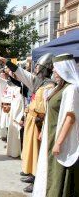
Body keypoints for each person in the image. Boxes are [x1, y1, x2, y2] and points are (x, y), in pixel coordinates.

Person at [0, 54, 55, 193]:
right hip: (31, 120)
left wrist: (40, 121)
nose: (35, 68)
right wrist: (7, 63)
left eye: (38, 67)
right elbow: (22, 74)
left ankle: (38, 179)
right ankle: (32, 173)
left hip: (38, 122)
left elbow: (46, 108)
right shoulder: (38, 82)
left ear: (44, 69)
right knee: (30, 149)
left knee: (37, 151)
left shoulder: (49, 86)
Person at [33, 54, 79, 197]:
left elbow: (70, 118)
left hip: (59, 136)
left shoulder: (71, 89)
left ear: (64, 69)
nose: (53, 72)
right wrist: (44, 130)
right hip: (50, 134)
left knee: (56, 171)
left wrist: (59, 142)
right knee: (47, 168)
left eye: (56, 70)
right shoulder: (59, 87)